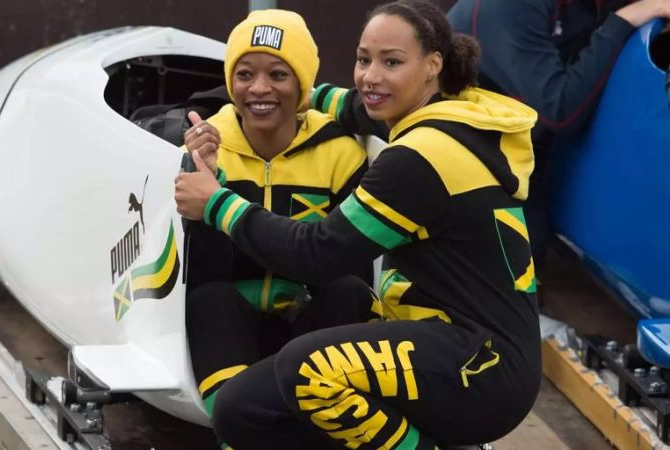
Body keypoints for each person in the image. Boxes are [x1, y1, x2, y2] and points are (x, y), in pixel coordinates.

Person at [175, 1, 540, 449]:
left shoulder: (419, 159)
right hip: (462, 346)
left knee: (307, 370)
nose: (371, 75)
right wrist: (294, 90)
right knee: (240, 409)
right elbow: (356, 107)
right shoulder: (454, 113)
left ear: (433, 65)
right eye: (363, 59)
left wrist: (216, 203)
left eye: (392, 62)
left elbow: (317, 254)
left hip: (477, 364)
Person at [316, 0, 670, 264]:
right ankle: (310, 96)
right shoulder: (513, 5)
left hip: (518, 137)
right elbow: (559, 111)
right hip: (454, 126)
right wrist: (625, 20)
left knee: (531, 245)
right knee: (519, 248)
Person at [181, 9, 378, 430]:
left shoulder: (341, 154)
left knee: (349, 291)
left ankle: (324, 425)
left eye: (278, 75)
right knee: (209, 299)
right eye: (245, 74)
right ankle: (239, 430)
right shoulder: (205, 147)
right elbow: (200, 273)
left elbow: (352, 267)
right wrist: (209, 177)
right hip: (232, 326)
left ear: (303, 84)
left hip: (308, 322)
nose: (259, 89)